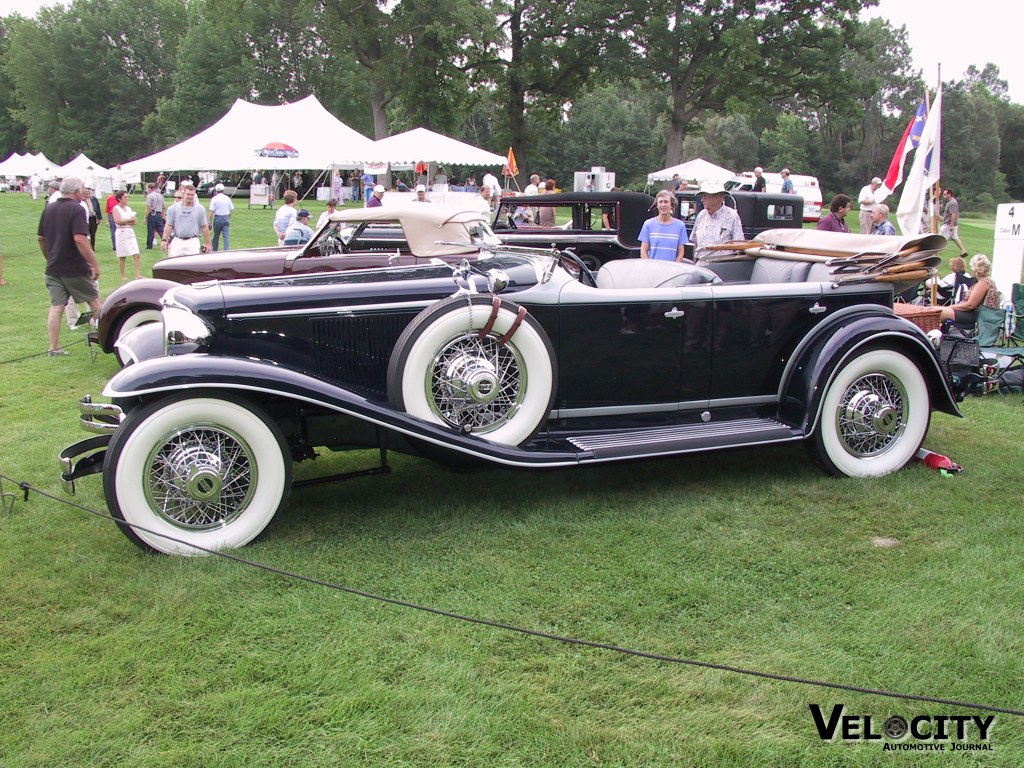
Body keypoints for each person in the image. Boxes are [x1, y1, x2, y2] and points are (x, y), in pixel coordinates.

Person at [37, 176, 103, 356]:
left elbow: (41, 238)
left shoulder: (49, 208)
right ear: (77, 192)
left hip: (53, 267)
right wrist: (94, 264)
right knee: (94, 301)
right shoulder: (76, 209)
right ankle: (108, 338)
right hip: (74, 267)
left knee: (57, 306)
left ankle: (53, 347)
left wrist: (49, 257)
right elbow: (80, 238)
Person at [690, 181, 744, 264]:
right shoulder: (701, 215)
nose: (702, 200)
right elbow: (695, 242)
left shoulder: (732, 216)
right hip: (701, 263)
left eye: (705, 196)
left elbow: (739, 245)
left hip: (723, 265)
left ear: (717, 198)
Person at [939, 254, 1000, 324]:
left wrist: (951, 306)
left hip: (974, 315)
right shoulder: (986, 281)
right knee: (934, 309)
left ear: (975, 270)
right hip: (972, 313)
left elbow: (970, 305)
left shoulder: (983, 283)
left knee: (935, 312)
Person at [161, 181, 211, 257]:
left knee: (192, 265)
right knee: (173, 263)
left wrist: (208, 244)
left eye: (192, 195)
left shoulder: (200, 209)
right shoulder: (174, 208)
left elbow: (204, 227)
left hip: (192, 241)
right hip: (178, 240)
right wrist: (164, 240)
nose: (190, 197)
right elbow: (169, 225)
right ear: (183, 194)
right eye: (188, 194)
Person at [639, 189, 689, 262]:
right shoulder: (648, 224)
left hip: (671, 271)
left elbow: (681, 253)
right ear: (657, 205)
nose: (663, 205)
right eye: (660, 202)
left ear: (671, 205)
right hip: (653, 270)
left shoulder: (680, 226)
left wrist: (675, 269)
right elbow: (643, 252)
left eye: (666, 202)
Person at [112, 190, 142, 280]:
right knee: (122, 256)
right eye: (125, 197)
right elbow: (118, 221)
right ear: (119, 199)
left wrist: (126, 220)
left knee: (136, 254)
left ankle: (137, 275)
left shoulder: (128, 209)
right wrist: (128, 220)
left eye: (127, 197)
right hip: (121, 232)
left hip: (129, 231)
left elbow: (134, 221)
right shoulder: (116, 208)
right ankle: (123, 276)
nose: (126, 199)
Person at [940, 188, 969, 257]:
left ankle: (936, 252)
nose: (943, 195)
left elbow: (953, 214)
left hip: (949, 224)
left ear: (949, 194)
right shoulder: (952, 202)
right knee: (955, 237)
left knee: (940, 237)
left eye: (945, 194)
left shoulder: (952, 203)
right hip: (953, 224)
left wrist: (951, 225)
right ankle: (963, 251)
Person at [208, 182, 235, 251]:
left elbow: (211, 211)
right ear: (223, 190)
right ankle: (226, 250)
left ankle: (215, 250)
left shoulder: (214, 199)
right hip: (226, 217)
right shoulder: (227, 198)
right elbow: (232, 209)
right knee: (226, 236)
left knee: (216, 236)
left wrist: (210, 222)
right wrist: (229, 217)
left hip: (218, 218)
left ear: (216, 191)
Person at [144, 182, 165, 250]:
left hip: (153, 214)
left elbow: (148, 207)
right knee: (160, 230)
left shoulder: (150, 196)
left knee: (151, 230)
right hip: (159, 214)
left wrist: (145, 217)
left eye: (147, 189)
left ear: (150, 188)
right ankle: (166, 241)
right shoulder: (160, 196)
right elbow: (163, 206)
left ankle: (149, 246)